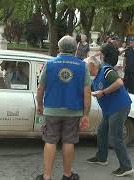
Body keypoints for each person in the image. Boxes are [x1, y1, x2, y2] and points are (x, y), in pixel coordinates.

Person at [36, 35, 91, 180]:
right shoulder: (82, 66)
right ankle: (67, 175)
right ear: (75, 49)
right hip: (73, 111)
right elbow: (87, 93)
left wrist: (40, 105)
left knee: (50, 141)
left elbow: (40, 89)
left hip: (52, 109)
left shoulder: (49, 64)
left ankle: (47, 176)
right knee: (68, 141)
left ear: (59, 48)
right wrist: (86, 114)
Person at [86, 56, 134, 177]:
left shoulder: (106, 70)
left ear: (92, 65)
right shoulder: (95, 77)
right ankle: (102, 158)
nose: (85, 68)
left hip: (119, 107)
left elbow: (119, 83)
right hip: (110, 110)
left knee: (115, 137)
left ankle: (126, 167)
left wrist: (103, 92)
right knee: (102, 131)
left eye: (86, 65)